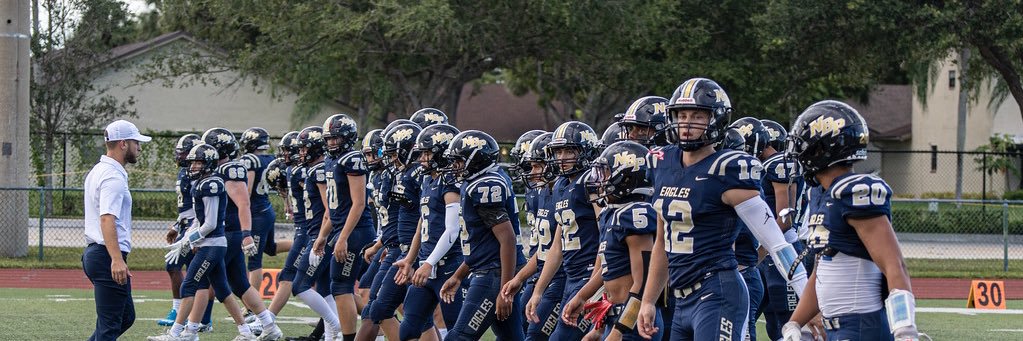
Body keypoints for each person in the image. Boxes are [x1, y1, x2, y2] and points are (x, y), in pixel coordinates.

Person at [635, 78, 807, 340]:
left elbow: (775, 241)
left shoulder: (726, 169)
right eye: (682, 115)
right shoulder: (663, 162)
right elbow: (662, 242)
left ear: (715, 120)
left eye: (697, 115)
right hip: (680, 299)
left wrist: (807, 300)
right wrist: (647, 300)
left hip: (718, 292)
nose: (687, 123)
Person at [782, 100, 920, 341]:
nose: (798, 156)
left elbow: (894, 264)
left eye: (803, 147)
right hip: (836, 330)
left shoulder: (854, 191)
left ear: (821, 148)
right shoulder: (820, 194)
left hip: (861, 327)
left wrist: (904, 328)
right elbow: (822, 270)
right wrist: (795, 322)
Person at [561, 141, 663, 341]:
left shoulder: (635, 215)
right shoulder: (613, 213)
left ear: (626, 178)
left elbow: (643, 285)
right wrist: (582, 297)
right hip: (616, 316)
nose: (599, 180)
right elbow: (608, 269)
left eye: (606, 173)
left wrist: (618, 332)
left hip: (634, 321)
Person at [439, 130, 526, 340]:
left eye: (459, 161)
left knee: (458, 337)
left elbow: (507, 239)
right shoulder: (478, 182)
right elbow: (483, 245)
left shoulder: (485, 185)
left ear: (476, 160)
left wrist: (505, 290)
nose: (455, 166)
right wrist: (458, 275)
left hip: (493, 274)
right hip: (490, 269)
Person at [526, 121, 602, 340]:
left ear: (585, 151)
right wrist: (538, 290)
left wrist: (593, 284)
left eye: (569, 150)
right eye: (558, 151)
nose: (562, 157)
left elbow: (607, 235)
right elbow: (557, 246)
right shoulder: (560, 184)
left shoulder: (592, 181)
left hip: (589, 275)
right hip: (571, 276)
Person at [83, 119, 150, 340]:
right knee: (110, 326)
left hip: (100, 254)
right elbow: (107, 219)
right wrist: (116, 259)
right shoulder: (112, 176)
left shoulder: (101, 170)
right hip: (105, 255)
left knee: (124, 317)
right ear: (123, 143)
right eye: (136, 142)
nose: (139, 147)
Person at [397, 123, 465, 340]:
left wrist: (429, 263)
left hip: (449, 266)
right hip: (428, 263)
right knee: (408, 328)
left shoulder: (450, 180)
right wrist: (411, 258)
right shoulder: (428, 179)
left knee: (458, 332)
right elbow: (422, 222)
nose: (421, 159)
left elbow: (452, 230)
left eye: (427, 153)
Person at [158, 134, 213, 332]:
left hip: (196, 226)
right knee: (197, 272)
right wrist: (176, 225)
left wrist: (193, 231)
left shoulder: (199, 175)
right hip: (186, 224)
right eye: (179, 152)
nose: (179, 156)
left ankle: (188, 314)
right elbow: (186, 206)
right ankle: (200, 317)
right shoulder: (186, 172)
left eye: (183, 152)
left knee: (181, 267)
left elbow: (199, 207)